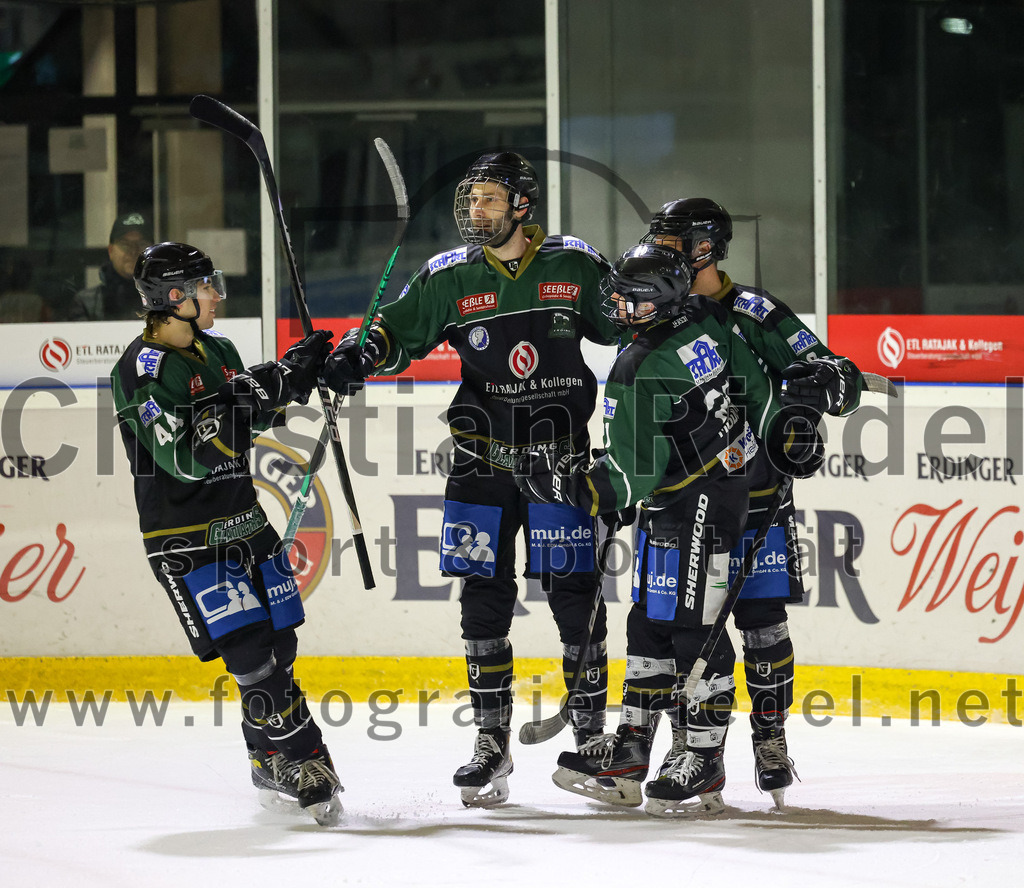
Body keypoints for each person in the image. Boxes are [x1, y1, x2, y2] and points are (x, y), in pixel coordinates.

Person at [323, 151, 621, 807]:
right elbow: (396, 333)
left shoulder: (573, 264)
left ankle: (596, 739)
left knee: (576, 595)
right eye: (470, 200)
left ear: (522, 206)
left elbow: (629, 319)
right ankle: (491, 744)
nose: (475, 211)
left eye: (488, 199)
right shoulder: (450, 277)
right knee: (481, 599)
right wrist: (357, 354)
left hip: (560, 460)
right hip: (479, 461)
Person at [514, 244, 823, 816]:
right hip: (701, 493)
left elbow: (631, 472)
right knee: (650, 624)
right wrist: (786, 430)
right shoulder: (707, 319)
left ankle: (704, 758)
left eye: (629, 297)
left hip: (694, 504)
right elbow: (757, 393)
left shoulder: (639, 366)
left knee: (693, 629)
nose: (617, 304)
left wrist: (570, 487)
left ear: (657, 299)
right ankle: (632, 747)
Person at [110, 242, 342, 825]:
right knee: (251, 658)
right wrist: (263, 390)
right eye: (205, 285)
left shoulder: (221, 349)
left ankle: (267, 758)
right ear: (174, 298)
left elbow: (250, 414)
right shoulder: (141, 372)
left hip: (248, 523)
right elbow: (187, 455)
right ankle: (305, 756)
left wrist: (298, 374)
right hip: (187, 540)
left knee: (280, 650)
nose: (216, 294)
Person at [643, 198, 865, 808]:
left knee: (763, 628)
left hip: (758, 501)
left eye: (676, 242)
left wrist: (823, 383)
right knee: (681, 631)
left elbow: (838, 374)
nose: (665, 252)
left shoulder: (753, 312)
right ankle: (695, 751)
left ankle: (771, 738)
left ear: (707, 247)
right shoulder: (653, 310)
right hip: (681, 506)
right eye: (659, 241)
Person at [70, 211, 154, 320]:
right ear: (111, 251)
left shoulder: (169, 301)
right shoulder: (86, 303)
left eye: (142, 244)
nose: (133, 251)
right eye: (125, 244)